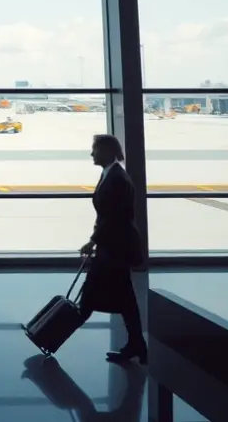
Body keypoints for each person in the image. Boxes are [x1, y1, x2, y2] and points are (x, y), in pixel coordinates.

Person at [78, 133, 147, 364]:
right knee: (124, 298)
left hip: (116, 247)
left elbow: (114, 218)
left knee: (89, 298)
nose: (91, 154)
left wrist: (93, 240)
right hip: (113, 246)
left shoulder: (117, 178)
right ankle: (137, 345)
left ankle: (48, 334)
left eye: (94, 149)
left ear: (106, 151)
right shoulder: (110, 174)